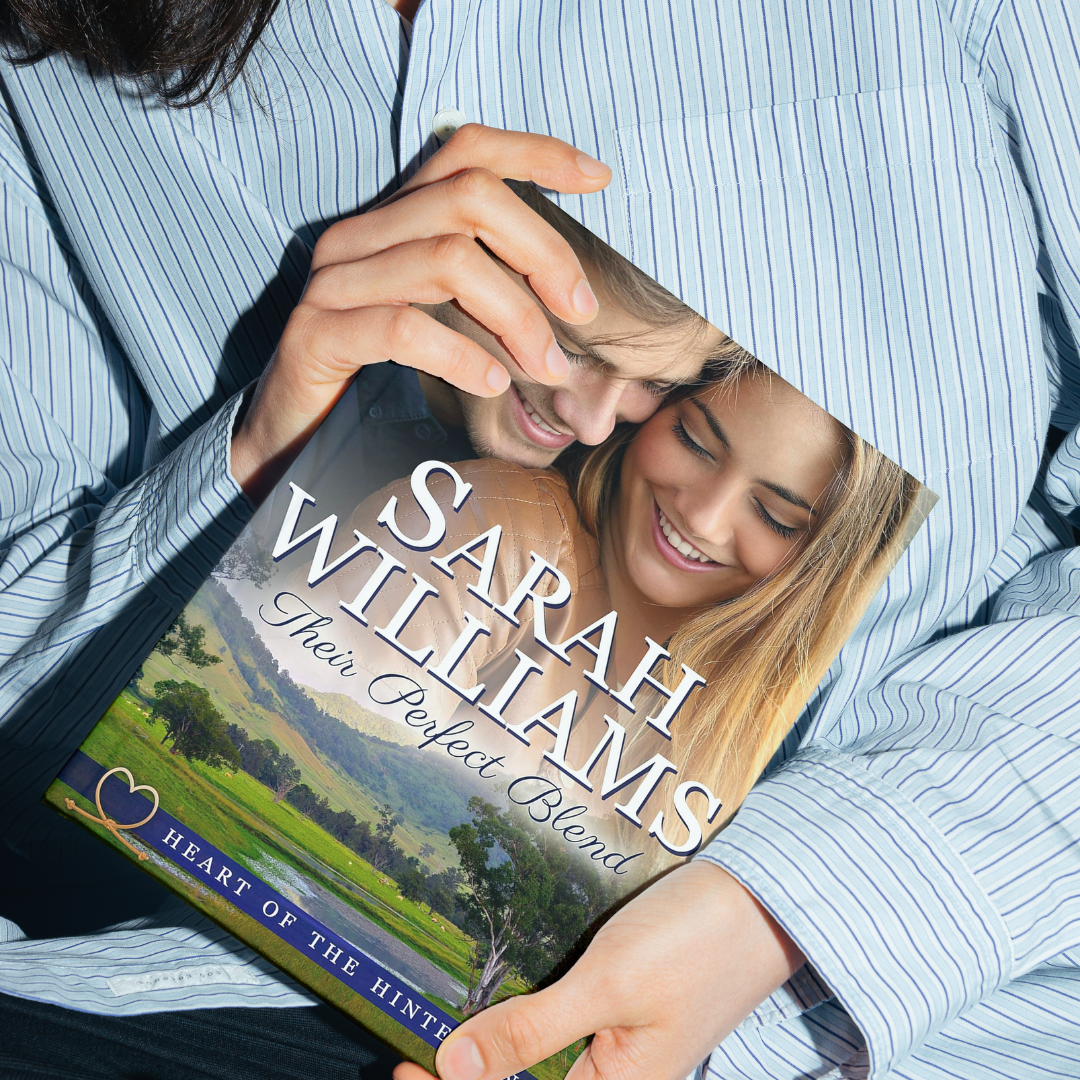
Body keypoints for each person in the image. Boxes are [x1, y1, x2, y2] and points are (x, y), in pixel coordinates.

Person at [0, 3, 1078, 1080]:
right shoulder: (45, 64)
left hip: (866, 1025)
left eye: (671, 390)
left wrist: (785, 907)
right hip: (167, 983)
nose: (597, 415)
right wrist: (261, 454)